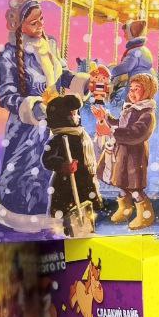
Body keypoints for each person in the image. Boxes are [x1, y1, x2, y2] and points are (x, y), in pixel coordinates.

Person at [0, 0, 84, 233]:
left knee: (54, 166)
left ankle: (52, 211)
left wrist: (81, 82)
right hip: (27, 127)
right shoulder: (8, 56)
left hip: (54, 121)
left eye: (41, 19)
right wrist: (32, 106)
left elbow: (62, 75)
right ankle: (22, 214)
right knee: (27, 168)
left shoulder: (49, 45)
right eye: (34, 22)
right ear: (20, 25)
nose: (41, 25)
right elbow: (6, 94)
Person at [101, 72, 157, 230]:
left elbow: (136, 133)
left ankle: (145, 216)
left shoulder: (147, 114)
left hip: (135, 156)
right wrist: (106, 118)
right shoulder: (130, 109)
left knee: (134, 187)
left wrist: (111, 131)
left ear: (147, 91)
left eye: (136, 89)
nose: (131, 93)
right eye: (130, 89)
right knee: (122, 184)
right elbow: (120, 124)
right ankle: (125, 209)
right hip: (122, 153)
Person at [41, 94, 100, 237]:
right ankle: (64, 232)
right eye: (73, 114)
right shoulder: (58, 138)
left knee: (86, 205)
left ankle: (86, 228)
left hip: (83, 179)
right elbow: (47, 159)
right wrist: (63, 165)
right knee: (66, 208)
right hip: (66, 182)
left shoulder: (80, 134)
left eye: (76, 113)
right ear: (63, 116)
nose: (77, 116)